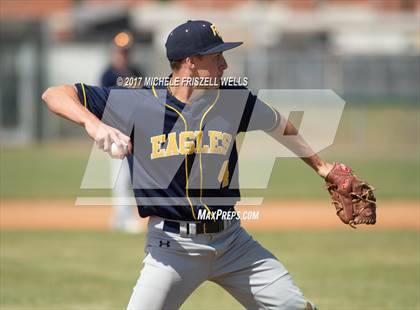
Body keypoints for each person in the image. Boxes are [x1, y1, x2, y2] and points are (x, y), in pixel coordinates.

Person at [42, 20, 335, 309]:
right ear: (192, 62)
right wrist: (94, 125)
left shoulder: (232, 99)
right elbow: (54, 94)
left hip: (233, 243)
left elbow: (278, 124)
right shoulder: (139, 101)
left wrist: (322, 167)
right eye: (217, 57)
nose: (224, 65)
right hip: (171, 249)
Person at [101, 38, 145, 233]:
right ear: (114, 51)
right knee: (120, 176)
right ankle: (123, 217)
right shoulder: (108, 74)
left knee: (131, 176)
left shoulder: (136, 71)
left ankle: (123, 216)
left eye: (126, 51)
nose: (123, 54)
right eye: (120, 51)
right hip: (116, 129)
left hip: (135, 128)